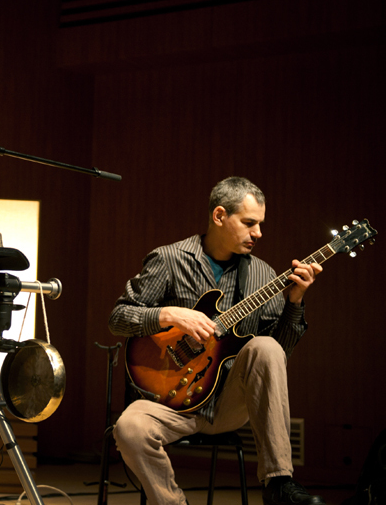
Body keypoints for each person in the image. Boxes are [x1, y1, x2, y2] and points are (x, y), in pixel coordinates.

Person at [109, 177, 325, 505]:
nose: (258, 233)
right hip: (167, 399)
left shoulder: (264, 276)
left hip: (227, 403)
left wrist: (294, 303)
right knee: (128, 429)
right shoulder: (169, 260)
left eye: (261, 224)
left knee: (265, 347)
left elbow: (277, 356)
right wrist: (169, 315)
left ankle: (279, 483)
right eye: (250, 223)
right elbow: (119, 318)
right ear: (220, 216)